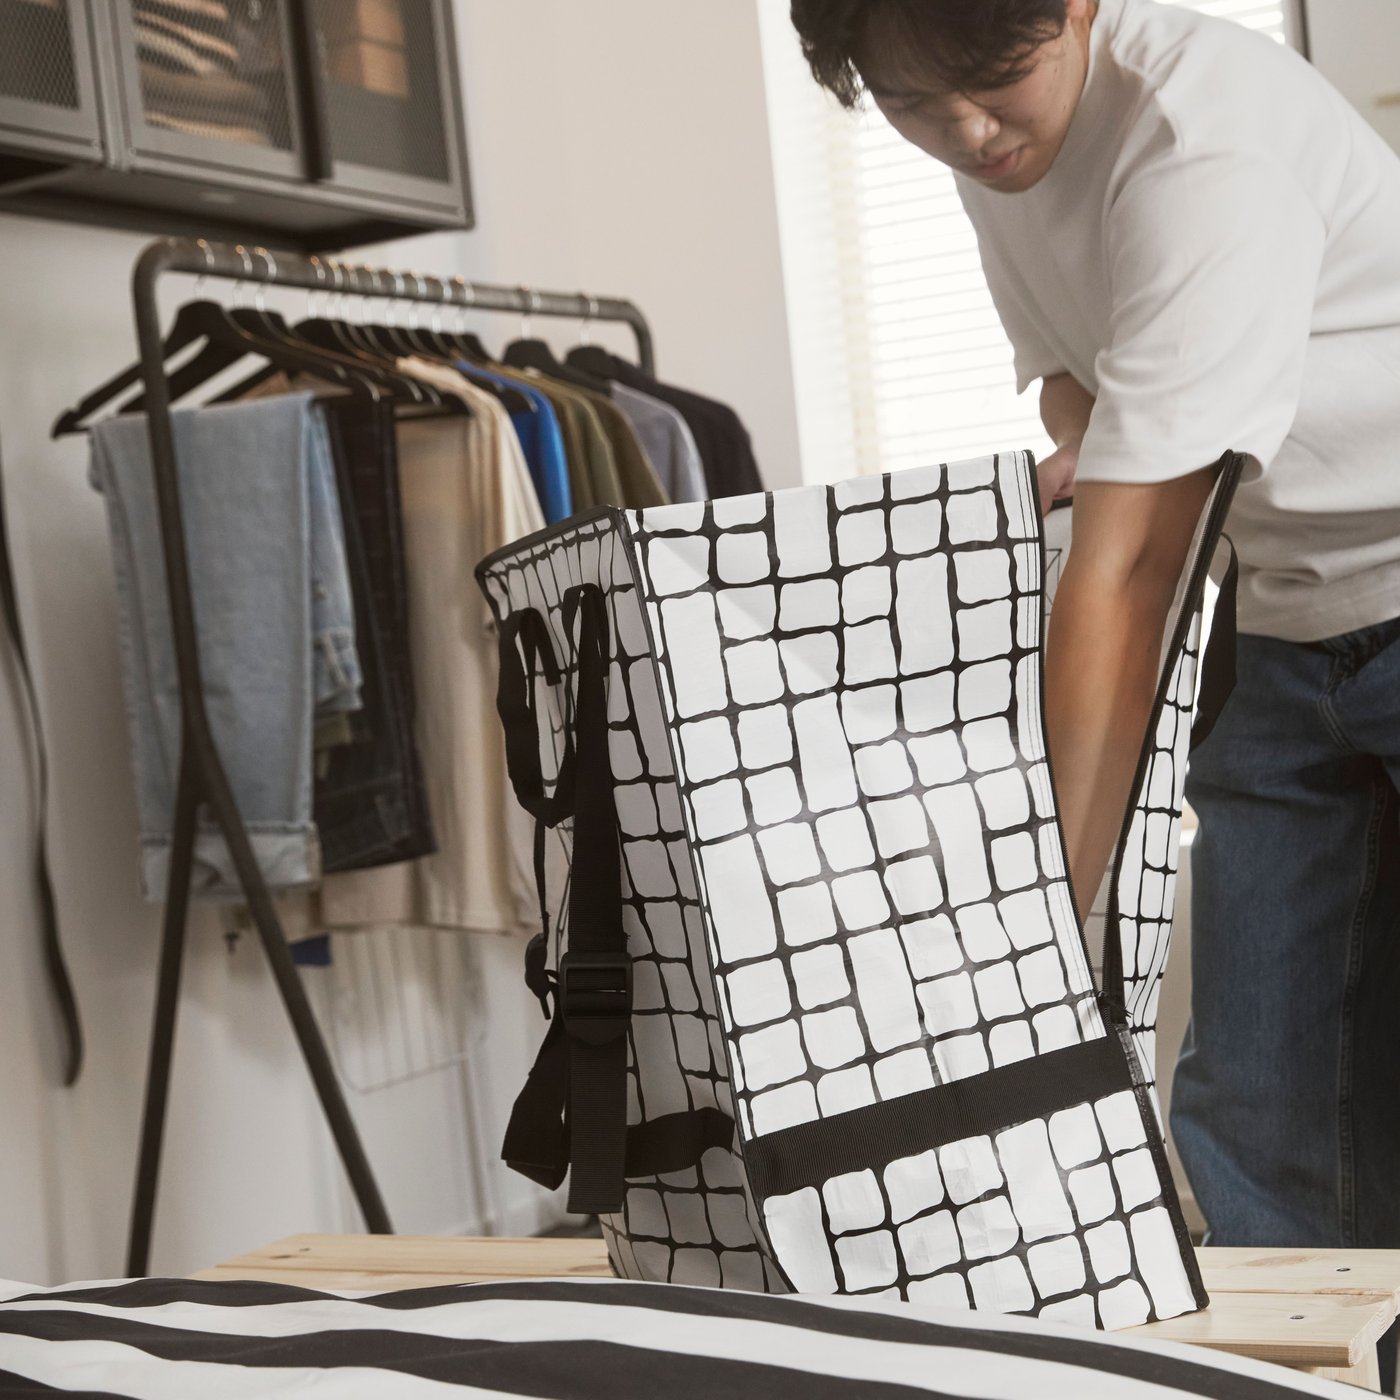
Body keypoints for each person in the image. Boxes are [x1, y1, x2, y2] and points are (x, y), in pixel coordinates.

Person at [789, 0, 1400, 1335]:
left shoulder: (1199, 140)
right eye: (914, 107)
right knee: (1255, 1093)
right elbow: (1077, 381)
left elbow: (1126, 581)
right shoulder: (999, 147)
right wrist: (1109, 446)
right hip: (1285, 616)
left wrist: (1046, 933)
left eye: (993, 85)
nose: (968, 134)